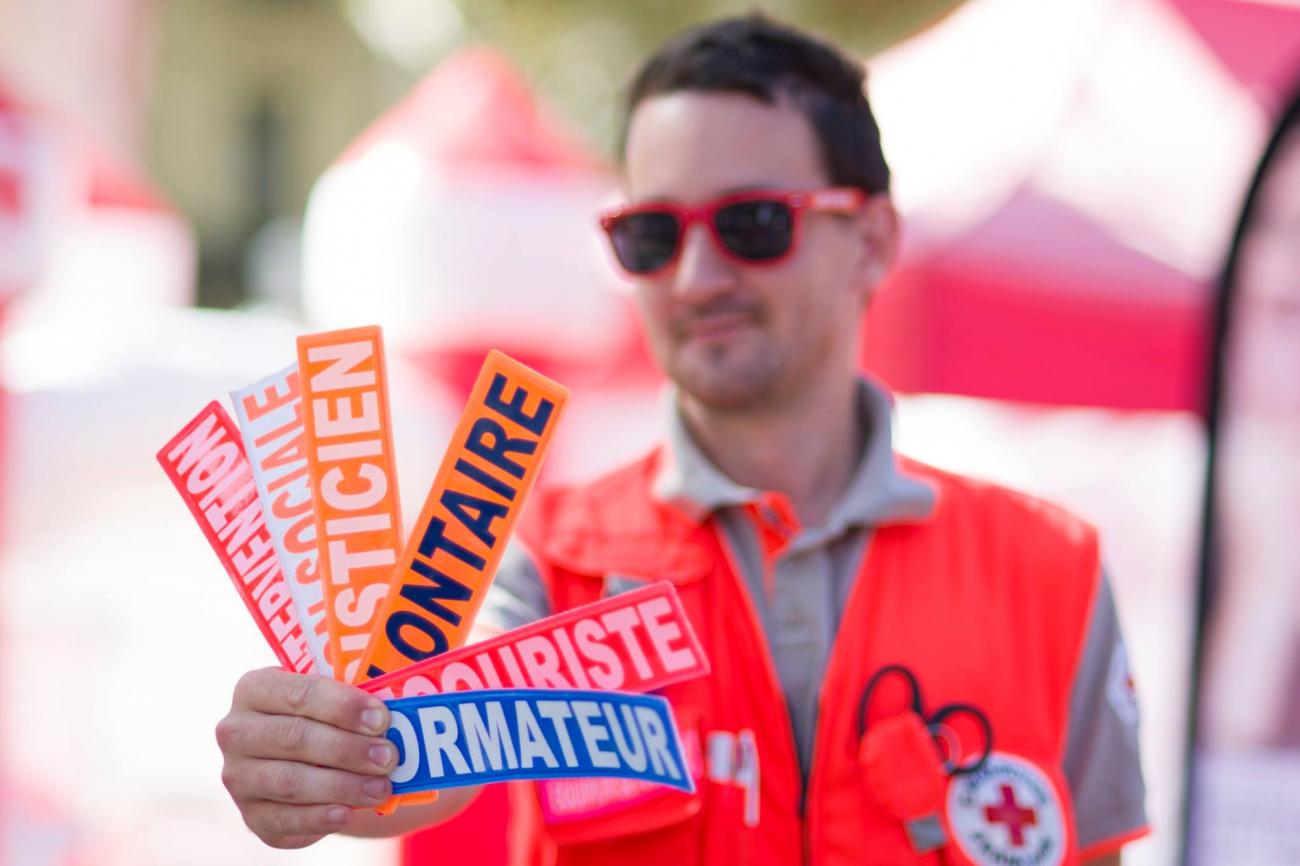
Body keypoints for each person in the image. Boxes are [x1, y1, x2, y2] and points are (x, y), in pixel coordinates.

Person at [214, 14, 1149, 864]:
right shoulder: (544, 553)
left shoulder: (1049, 567)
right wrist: (326, 757)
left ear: (870, 241)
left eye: (753, 223)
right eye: (651, 235)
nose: (697, 277)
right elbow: (418, 747)